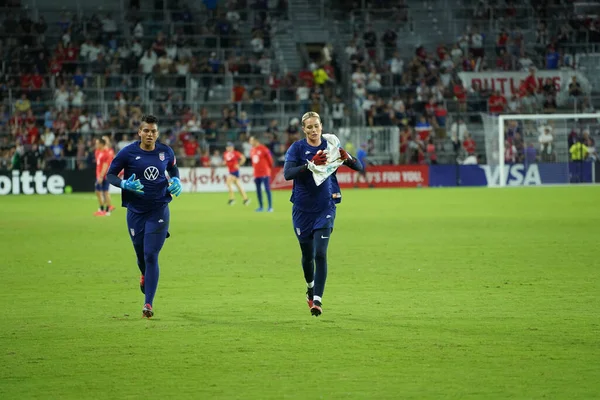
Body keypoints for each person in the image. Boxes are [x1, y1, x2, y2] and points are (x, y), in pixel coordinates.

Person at [283, 111, 363, 317]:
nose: (313, 130)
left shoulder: (331, 146)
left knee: (320, 253)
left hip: (325, 208)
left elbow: (358, 166)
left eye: (316, 126)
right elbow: (287, 174)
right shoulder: (298, 148)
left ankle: (317, 300)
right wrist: (310, 165)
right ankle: (310, 287)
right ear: (304, 129)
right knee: (307, 256)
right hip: (302, 210)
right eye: (309, 127)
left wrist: (348, 158)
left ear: (321, 125)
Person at [106, 114, 182, 319]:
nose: (150, 134)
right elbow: (110, 174)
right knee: (141, 255)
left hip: (159, 208)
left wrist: (176, 179)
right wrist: (123, 184)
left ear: (157, 133)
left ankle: (148, 303)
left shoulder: (165, 151)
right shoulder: (128, 152)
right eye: (146, 130)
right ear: (139, 132)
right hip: (135, 211)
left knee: (150, 255)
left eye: (153, 131)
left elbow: (173, 167)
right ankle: (144, 275)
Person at [249, 136, 274, 212]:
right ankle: (261, 207)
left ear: (256, 141)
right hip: (256, 174)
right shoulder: (252, 150)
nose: (250, 142)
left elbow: (270, 160)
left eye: (251, 141)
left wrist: (268, 169)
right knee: (258, 190)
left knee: (267, 189)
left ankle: (270, 207)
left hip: (264, 173)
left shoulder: (264, 149)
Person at [223, 142, 250, 206]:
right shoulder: (225, 154)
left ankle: (232, 198)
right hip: (230, 171)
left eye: (229, 146)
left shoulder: (236, 153)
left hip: (235, 171)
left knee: (228, 182)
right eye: (227, 147)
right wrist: (224, 163)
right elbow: (226, 161)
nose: (228, 148)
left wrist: (239, 164)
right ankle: (245, 199)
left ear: (232, 147)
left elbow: (243, 158)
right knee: (238, 186)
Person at [93, 138, 111, 216]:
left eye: (97, 143)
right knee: (98, 192)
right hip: (99, 175)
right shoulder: (97, 152)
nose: (96, 145)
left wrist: (101, 177)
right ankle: (102, 209)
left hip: (104, 176)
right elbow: (98, 165)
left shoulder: (107, 153)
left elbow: (105, 166)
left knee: (105, 192)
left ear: (101, 144)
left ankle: (106, 210)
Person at [102, 135, 116, 214]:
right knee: (105, 192)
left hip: (107, 173)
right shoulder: (107, 151)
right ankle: (106, 207)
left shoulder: (108, 151)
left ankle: (108, 208)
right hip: (105, 172)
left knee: (106, 192)